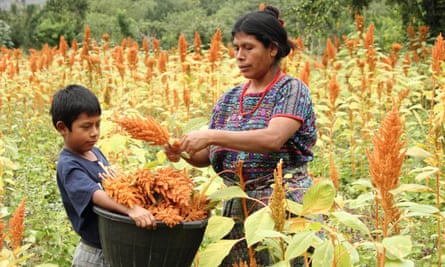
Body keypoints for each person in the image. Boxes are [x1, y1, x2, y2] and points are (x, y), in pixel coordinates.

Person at [165, 5, 317, 267]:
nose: (239, 56)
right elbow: (207, 155)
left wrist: (211, 135)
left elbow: (272, 139)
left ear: (272, 49)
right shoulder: (230, 98)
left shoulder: (291, 90)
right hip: (238, 206)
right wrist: (184, 152)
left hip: (285, 204)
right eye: (236, 48)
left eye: (248, 47)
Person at [50, 84, 157, 267]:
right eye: (86, 126)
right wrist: (131, 209)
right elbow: (95, 194)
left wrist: (120, 180)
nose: (94, 132)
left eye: (97, 124)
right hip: (95, 255)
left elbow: (109, 186)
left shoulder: (96, 152)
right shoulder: (68, 164)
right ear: (62, 128)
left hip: (114, 248)